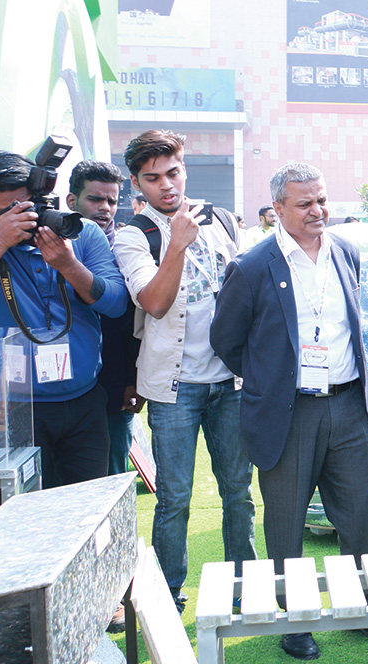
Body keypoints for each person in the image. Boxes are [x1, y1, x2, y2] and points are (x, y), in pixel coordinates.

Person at [209, 163, 368, 661]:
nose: (317, 211)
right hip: (288, 413)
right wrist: (273, 379)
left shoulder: (345, 251)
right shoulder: (253, 265)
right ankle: (295, 620)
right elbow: (226, 340)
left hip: (349, 403)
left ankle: (358, 608)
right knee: (285, 521)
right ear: (278, 209)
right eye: (304, 203)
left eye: (322, 200)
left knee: (359, 515)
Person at [114, 130, 256, 610]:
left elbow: (245, 292)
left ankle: (246, 585)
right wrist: (175, 244)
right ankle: (169, 592)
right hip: (174, 386)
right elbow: (153, 303)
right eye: (152, 179)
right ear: (137, 183)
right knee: (174, 497)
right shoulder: (135, 234)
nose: (166, 186)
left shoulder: (219, 219)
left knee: (238, 491)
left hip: (231, 380)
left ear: (184, 168)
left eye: (172, 173)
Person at [0, 150, 127, 487]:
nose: (20, 217)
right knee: (22, 513)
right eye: (6, 211)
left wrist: (68, 264)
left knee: (84, 509)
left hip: (84, 399)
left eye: (25, 207)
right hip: (11, 407)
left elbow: (117, 303)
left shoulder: (81, 233)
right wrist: (0, 239)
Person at [66, 160, 142, 480]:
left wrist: (134, 380)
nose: (105, 208)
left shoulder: (129, 247)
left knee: (111, 480)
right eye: (95, 199)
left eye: (112, 200)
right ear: (72, 201)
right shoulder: (48, 246)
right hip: (60, 386)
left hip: (115, 384)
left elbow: (136, 322)